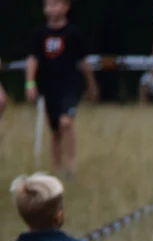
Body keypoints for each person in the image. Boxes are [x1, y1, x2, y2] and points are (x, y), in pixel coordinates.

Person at [25, 0, 99, 177]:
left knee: (66, 122)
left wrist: (91, 84)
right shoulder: (39, 34)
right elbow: (32, 60)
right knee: (55, 130)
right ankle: (56, 168)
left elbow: (83, 62)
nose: (51, 9)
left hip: (70, 86)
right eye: (47, 5)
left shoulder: (74, 34)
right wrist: (30, 83)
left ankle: (70, 166)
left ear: (66, 7)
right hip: (49, 87)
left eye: (55, 4)